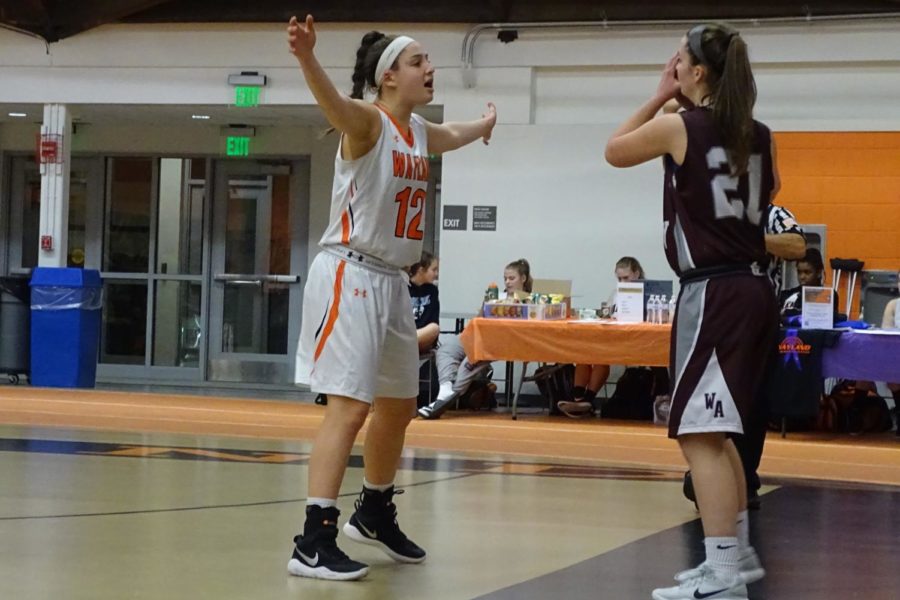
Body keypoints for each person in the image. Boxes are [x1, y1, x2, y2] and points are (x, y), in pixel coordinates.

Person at [287, 14, 496, 581]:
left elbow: (449, 136)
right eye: (417, 61)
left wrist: (483, 124)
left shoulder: (419, 131)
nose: (430, 68)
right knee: (349, 407)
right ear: (387, 79)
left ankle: (374, 509)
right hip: (349, 274)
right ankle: (312, 539)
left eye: (428, 60)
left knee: (399, 404)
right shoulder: (368, 123)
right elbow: (334, 105)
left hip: (392, 283)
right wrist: (307, 57)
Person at [606, 23, 777, 600]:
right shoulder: (760, 134)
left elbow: (614, 150)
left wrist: (659, 96)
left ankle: (725, 573)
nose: (673, 65)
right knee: (721, 431)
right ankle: (736, 554)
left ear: (696, 72)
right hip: (754, 288)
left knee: (700, 435)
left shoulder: (683, 125)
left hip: (715, 292)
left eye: (678, 60)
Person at [683, 202, 806, 509]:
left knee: (753, 403)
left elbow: (797, 246)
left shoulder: (773, 214)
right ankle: (708, 474)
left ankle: (745, 479)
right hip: (714, 313)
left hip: (756, 318)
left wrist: (746, 240)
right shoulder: (712, 208)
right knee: (713, 399)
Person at [417, 258, 532, 419]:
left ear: (523, 279)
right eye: (505, 278)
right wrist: (486, 305)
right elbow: (477, 321)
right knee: (446, 349)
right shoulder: (497, 296)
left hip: (496, 343)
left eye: (511, 278)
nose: (507, 282)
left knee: (467, 365)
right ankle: (445, 388)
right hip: (477, 336)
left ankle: (441, 402)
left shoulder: (530, 301)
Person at [558, 256, 645, 417]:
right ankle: (580, 400)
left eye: (626, 278)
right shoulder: (616, 293)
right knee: (585, 353)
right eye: (619, 279)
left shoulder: (647, 294)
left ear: (637, 274)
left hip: (634, 340)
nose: (622, 282)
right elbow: (608, 313)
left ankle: (587, 401)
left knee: (601, 356)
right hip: (612, 336)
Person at [779, 247, 839, 324]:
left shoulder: (828, 295)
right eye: (799, 272)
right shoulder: (786, 295)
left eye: (807, 272)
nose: (802, 277)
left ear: (818, 273)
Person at [407, 251, 440, 354]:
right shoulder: (403, 287)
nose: (436, 274)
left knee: (434, 328)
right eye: (434, 270)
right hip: (407, 333)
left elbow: (433, 320)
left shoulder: (432, 290)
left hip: (422, 337)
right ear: (421, 270)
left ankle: (407, 343)